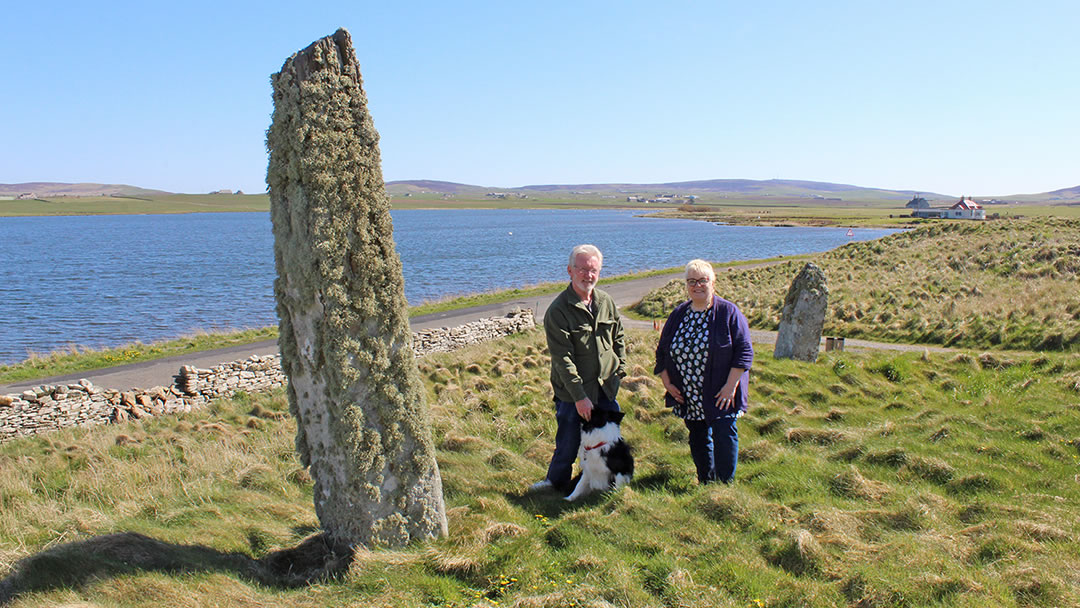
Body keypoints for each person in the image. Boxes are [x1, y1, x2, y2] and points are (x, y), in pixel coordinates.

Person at [532, 244, 627, 492]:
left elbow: (619, 338)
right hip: (572, 394)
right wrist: (580, 397)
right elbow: (562, 359)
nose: (588, 275)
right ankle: (555, 483)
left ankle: (611, 482)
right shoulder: (558, 311)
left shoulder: (606, 302)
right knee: (568, 441)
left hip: (605, 388)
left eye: (593, 269)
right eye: (582, 269)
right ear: (570, 271)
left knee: (610, 440)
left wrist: (620, 370)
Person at [653, 259, 753, 484]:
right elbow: (662, 352)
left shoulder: (728, 312)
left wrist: (730, 387)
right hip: (688, 393)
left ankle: (724, 485)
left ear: (713, 282)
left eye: (702, 281)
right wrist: (668, 384)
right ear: (686, 285)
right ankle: (706, 481)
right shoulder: (679, 314)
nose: (697, 286)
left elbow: (744, 352)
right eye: (691, 281)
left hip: (722, 391)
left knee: (724, 434)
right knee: (698, 438)